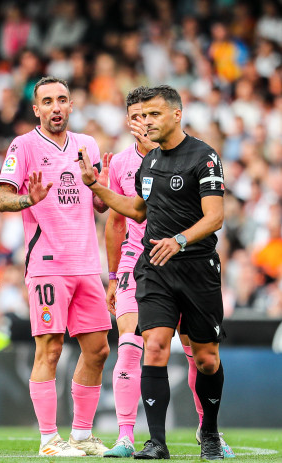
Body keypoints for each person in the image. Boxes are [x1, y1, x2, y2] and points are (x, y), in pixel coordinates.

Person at [78, 85, 227, 460]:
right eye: (141, 116)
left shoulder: (204, 157)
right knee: (154, 346)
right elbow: (138, 210)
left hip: (197, 269)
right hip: (155, 268)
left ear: (177, 114)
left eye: (154, 115)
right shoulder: (149, 162)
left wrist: (179, 239)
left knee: (207, 358)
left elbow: (216, 217)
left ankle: (209, 432)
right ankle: (155, 442)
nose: (145, 123)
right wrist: (97, 185)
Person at [0, 76, 111, 457]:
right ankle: (48, 440)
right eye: (48, 101)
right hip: (47, 263)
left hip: (86, 263)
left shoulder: (87, 145)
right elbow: (2, 198)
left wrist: (100, 187)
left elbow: (99, 205)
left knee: (97, 350)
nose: (56, 107)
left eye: (62, 100)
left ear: (71, 105)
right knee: (50, 348)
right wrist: (29, 197)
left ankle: (80, 434)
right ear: (37, 109)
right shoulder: (23, 145)